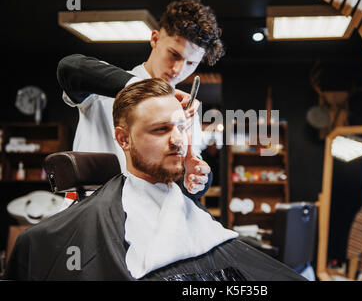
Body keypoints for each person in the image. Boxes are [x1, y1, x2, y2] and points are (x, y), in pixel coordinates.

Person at [3, 79, 306, 281]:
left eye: (179, 127)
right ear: (123, 139)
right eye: (160, 130)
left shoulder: (183, 202)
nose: (177, 140)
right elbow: (70, 66)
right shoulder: (62, 234)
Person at [57, 0, 224, 197]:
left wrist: (196, 175)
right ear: (155, 39)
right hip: (90, 213)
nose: (179, 69)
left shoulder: (185, 110)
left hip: (145, 219)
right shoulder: (104, 88)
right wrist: (146, 88)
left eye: (191, 63)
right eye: (174, 54)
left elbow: (192, 182)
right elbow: (70, 68)